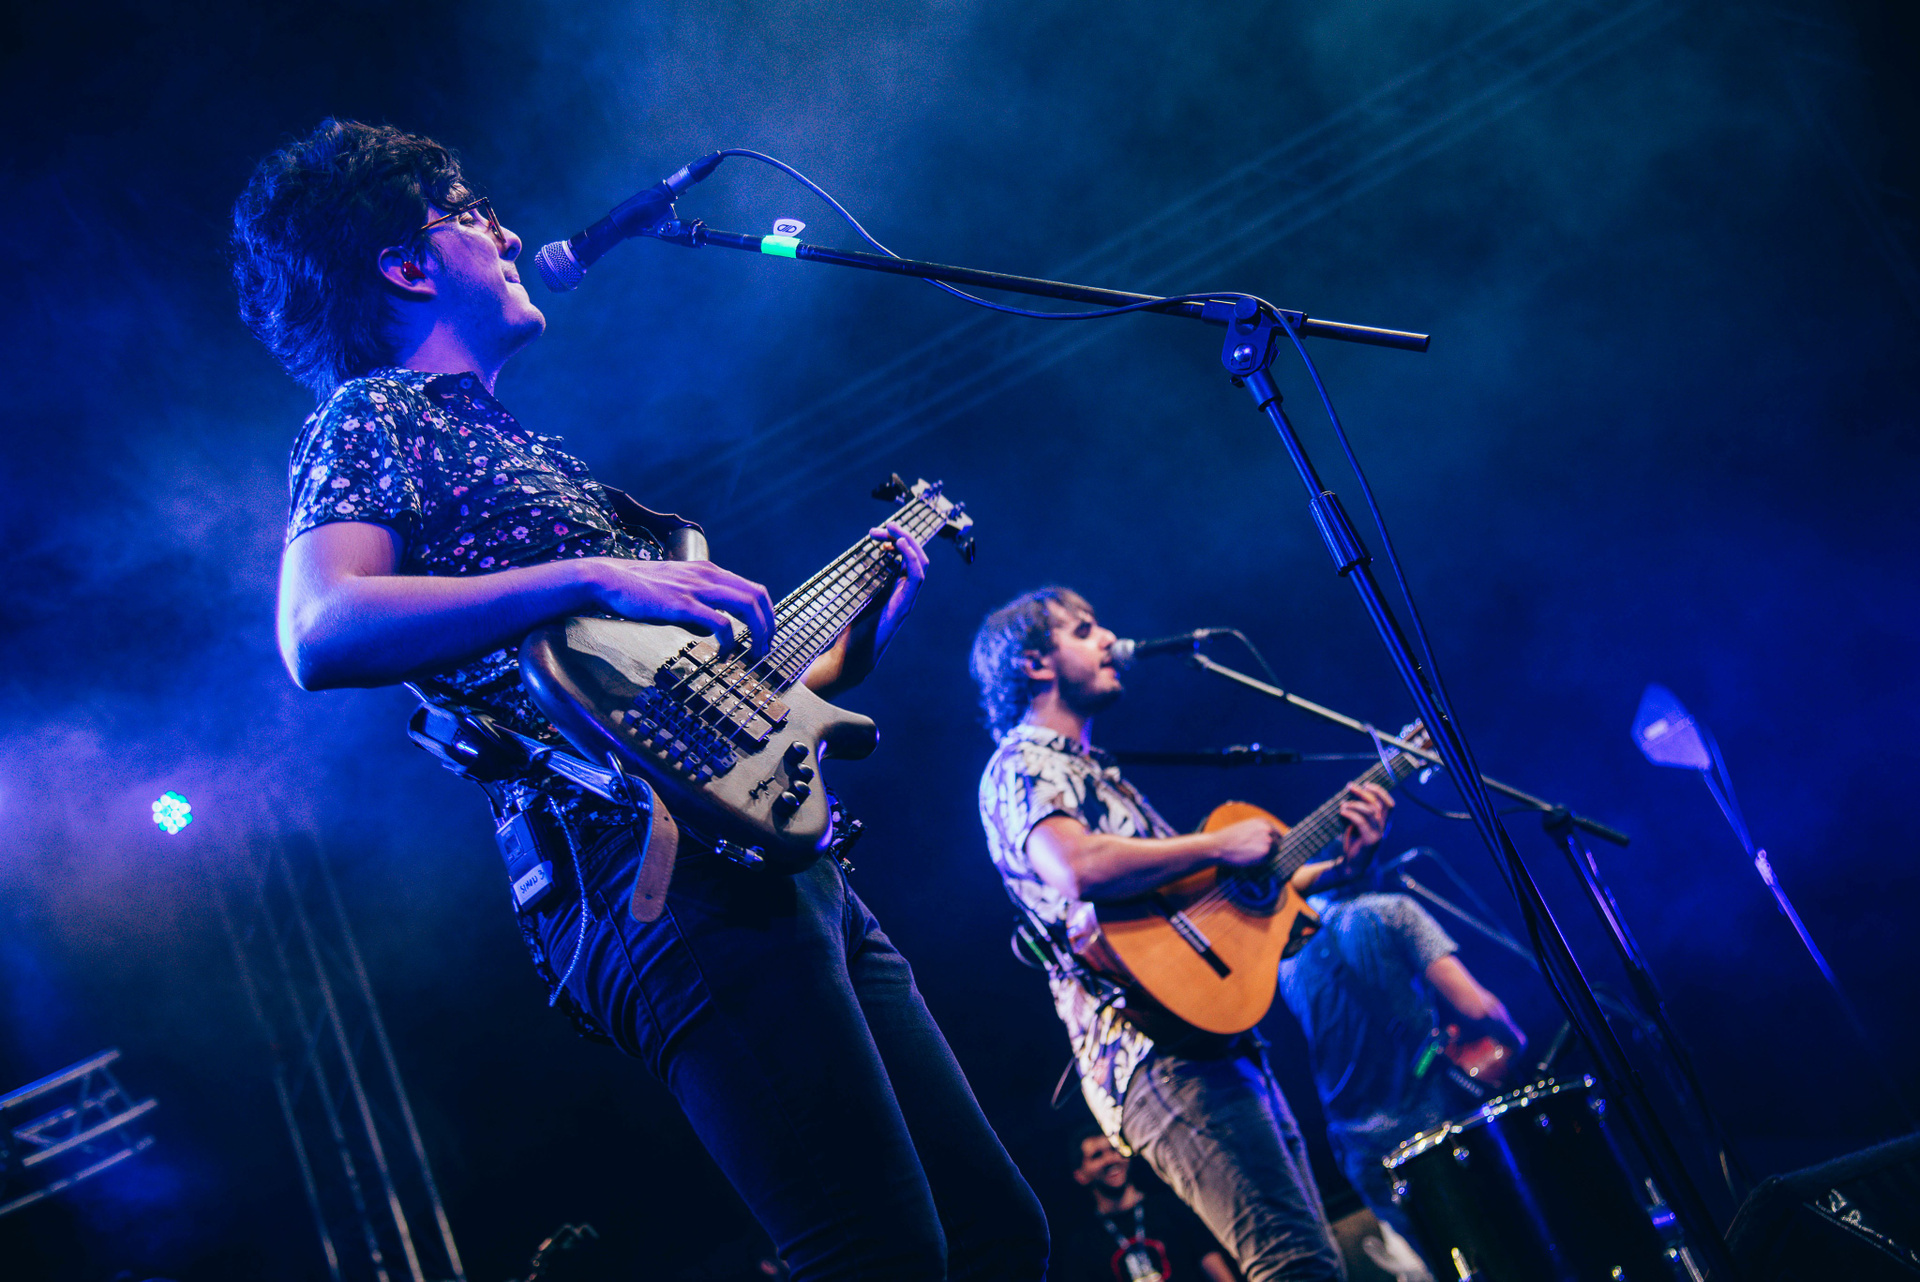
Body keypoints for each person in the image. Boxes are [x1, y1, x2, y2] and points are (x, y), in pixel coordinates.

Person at [232, 118, 1047, 1281]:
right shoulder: (373, 416)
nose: (508, 232)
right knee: (878, 1252)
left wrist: (850, 647)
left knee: (997, 1234)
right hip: (640, 862)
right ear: (405, 267)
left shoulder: (528, 452)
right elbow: (320, 627)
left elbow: (710, 706)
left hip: (766, 851)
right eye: (469, 213)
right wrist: (595, 573)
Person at [972, 586, 1396, 1282]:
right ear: (1034, 664)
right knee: (1295, 1265)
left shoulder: (1096, 774)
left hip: (1210, 1037)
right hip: (1150, 1048)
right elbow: (1075, 866)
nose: (1108, 639)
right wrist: (1218, 843)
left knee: (1312, 1259)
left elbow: (1216, 906)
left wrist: (1340, 870)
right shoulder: (1019, 764)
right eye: (1084, 629)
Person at [1275, 885, 1524, 1254]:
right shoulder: (1391, 911)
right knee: (1506, 1249)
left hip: (1364, 1152)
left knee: (1447, 1262)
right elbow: (1479, 1007)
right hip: (1436, 1127)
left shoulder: (1286, 961)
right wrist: (1515, 1040)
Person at [1061, 1125, 1237, 1282]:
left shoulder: (1172, 1208)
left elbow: (1217, 1270)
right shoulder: (1084, 1244)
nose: (1110, 1159)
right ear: (1080, 1175)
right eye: (1097, 1156)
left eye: (1114, 1150)